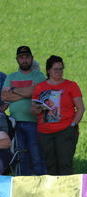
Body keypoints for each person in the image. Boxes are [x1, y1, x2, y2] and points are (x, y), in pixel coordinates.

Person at [31, 55, 85, 176]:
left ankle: (66, 192)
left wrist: (73, 124)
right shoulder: (40, 87)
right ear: (49, 70)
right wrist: (40, 107)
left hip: (65, 130)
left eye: (61, 69)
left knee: (65, 164)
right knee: (49, 164)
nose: (59, 72)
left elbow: (81, 108)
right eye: (56, 69)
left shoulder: (71, 86)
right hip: (45, 132)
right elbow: (33, 110)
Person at [1, 46, 47, 175]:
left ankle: (40, 182)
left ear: (31, 58)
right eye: (21, 57)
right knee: (20, 155)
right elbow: (4, 96)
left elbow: (36, 91)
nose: (24, 60)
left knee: (36, 154)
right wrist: (28, 92)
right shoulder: (11, 77)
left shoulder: (39, 76)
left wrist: (13, 90)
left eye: (27, 57)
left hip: (34, 122)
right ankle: (22, 183)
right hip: (15, 123)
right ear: (17, 60)